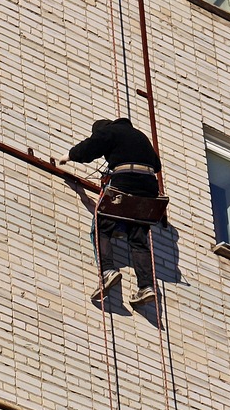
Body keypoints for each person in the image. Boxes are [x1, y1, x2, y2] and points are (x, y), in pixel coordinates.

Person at [58, 118, 161, 307]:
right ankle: (146, 286)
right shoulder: (141, 137)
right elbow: (157, 165)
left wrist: (69, 156)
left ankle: (107, 271)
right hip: (148, 190)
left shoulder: (110, 131)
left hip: (126, 181)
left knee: (101, 227)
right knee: (138, 239)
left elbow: (91, 146)